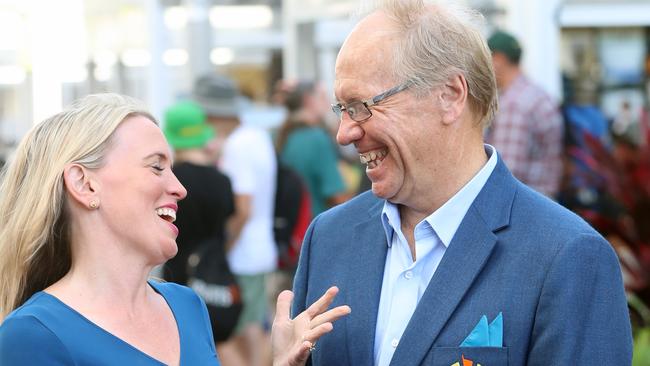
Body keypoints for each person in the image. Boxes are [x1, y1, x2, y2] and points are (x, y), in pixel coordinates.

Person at [291, 1, 632, 365]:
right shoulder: (329, 238)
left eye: (360, 106)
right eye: (341, 109)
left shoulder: (566, 256)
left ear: (450, 95)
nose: (345, 133)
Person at [0, 93, 350, 365]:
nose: (180, 188)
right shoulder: (32, 336)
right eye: (156, 167)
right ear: (85, 184)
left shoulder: (187, 306)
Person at [194, 74, 278, 366]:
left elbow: (243, 208)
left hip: (243, 253)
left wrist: (222, 250)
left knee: (238, 331)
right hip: (259, 248)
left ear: (214, 113)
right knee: (254, 324)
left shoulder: (238, 147)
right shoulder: (256, 136)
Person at [162, 100, 239, 343]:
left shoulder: (171, 180)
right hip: (215, 269)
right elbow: (228, 223)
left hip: (178, 270)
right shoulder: (222, 180)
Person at [485, 30, 565, 198]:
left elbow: (505, 172)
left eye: (485, 60)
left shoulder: (514, 104)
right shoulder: (536, 93)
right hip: (543, 202)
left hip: (524, 210)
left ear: (498, 59)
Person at [276, 80, 349, 217]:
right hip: (315, 224)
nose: (328, 104)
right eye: (323, 97)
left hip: (293, 228)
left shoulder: (279, 136)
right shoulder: (317, 139)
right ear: (308, 100)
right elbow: (337, 196)